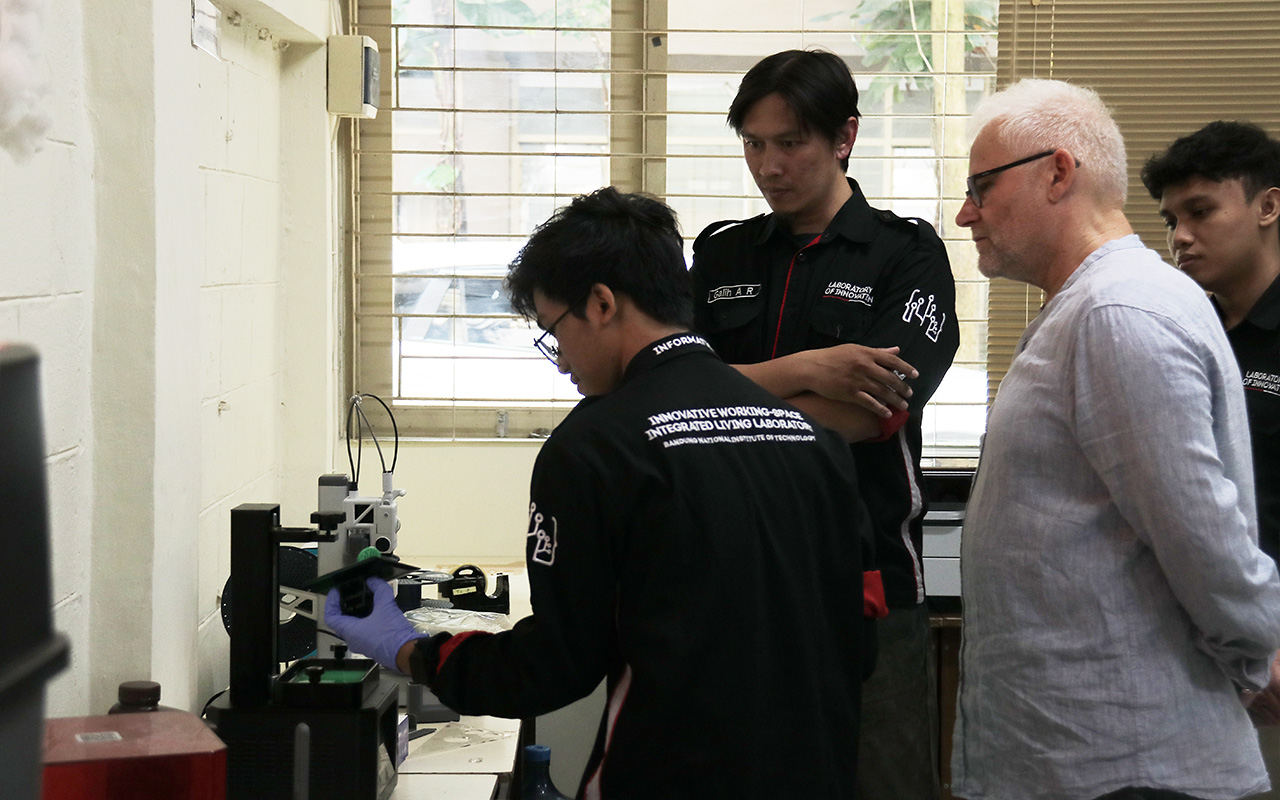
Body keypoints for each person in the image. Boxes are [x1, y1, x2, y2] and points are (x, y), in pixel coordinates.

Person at [326, 187, 881, 800]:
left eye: (553, 331)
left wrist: (411, 650)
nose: (561, 361)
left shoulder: (594, 446)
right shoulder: (812, 438)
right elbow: (858, 637)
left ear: (601, 303)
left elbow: (556, 666)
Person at [951, 79, 1280, 800]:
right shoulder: (1091, 307)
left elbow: (1203, 538)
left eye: (982, 186)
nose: (965, 212)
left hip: (1127, 767)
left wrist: (1255, 657)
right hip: (1085, 758)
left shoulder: (1118, 311)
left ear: (1057, 173)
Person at [687, 48, 959, 800]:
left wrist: (719, 402)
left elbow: (869, 413)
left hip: (866, 586)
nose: (769, 166)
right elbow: (663, 391)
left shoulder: (906, 256)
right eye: (753, 144)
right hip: (734, 585)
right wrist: (808, 368)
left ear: (845, 137)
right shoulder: (721, 254)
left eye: (791, 142)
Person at [1141, 120, 1280, 797]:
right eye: (1172, 220)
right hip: (1196, 649)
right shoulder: (1180, 328)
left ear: (1268, 206)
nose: (1181, 236)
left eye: (1201, 211)